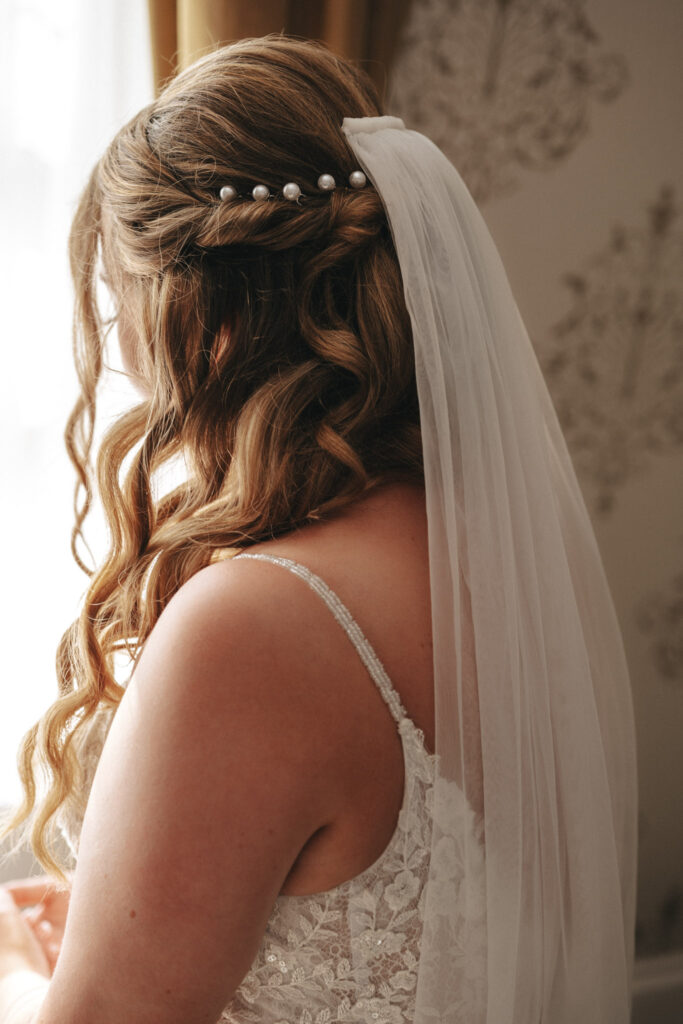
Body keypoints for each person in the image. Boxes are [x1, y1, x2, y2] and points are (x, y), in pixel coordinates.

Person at [0, 33, 637, 1024]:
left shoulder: (251, 627)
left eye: (120, 301)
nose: (123, 355)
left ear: (194, 319)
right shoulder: (490, 555)